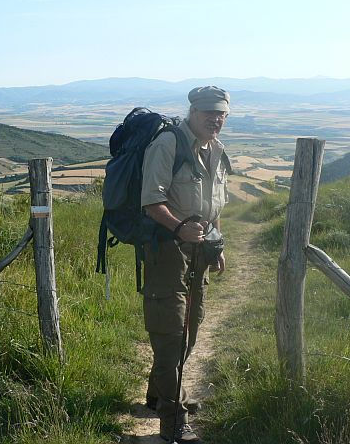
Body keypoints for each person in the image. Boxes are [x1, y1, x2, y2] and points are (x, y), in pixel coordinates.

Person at [140, 85, 230, 443]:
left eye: (221, 113)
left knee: (190, 330)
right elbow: (151, 201)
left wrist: (216, 245)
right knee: (171, 335)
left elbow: (213, 208)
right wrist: (178, 227)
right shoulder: (168, 145)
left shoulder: (216, 150)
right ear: (193, 111)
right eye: (209, 112)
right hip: (166, 252)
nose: (215, 119)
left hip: (199, 253)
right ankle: (173, 422)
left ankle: (158, 393)